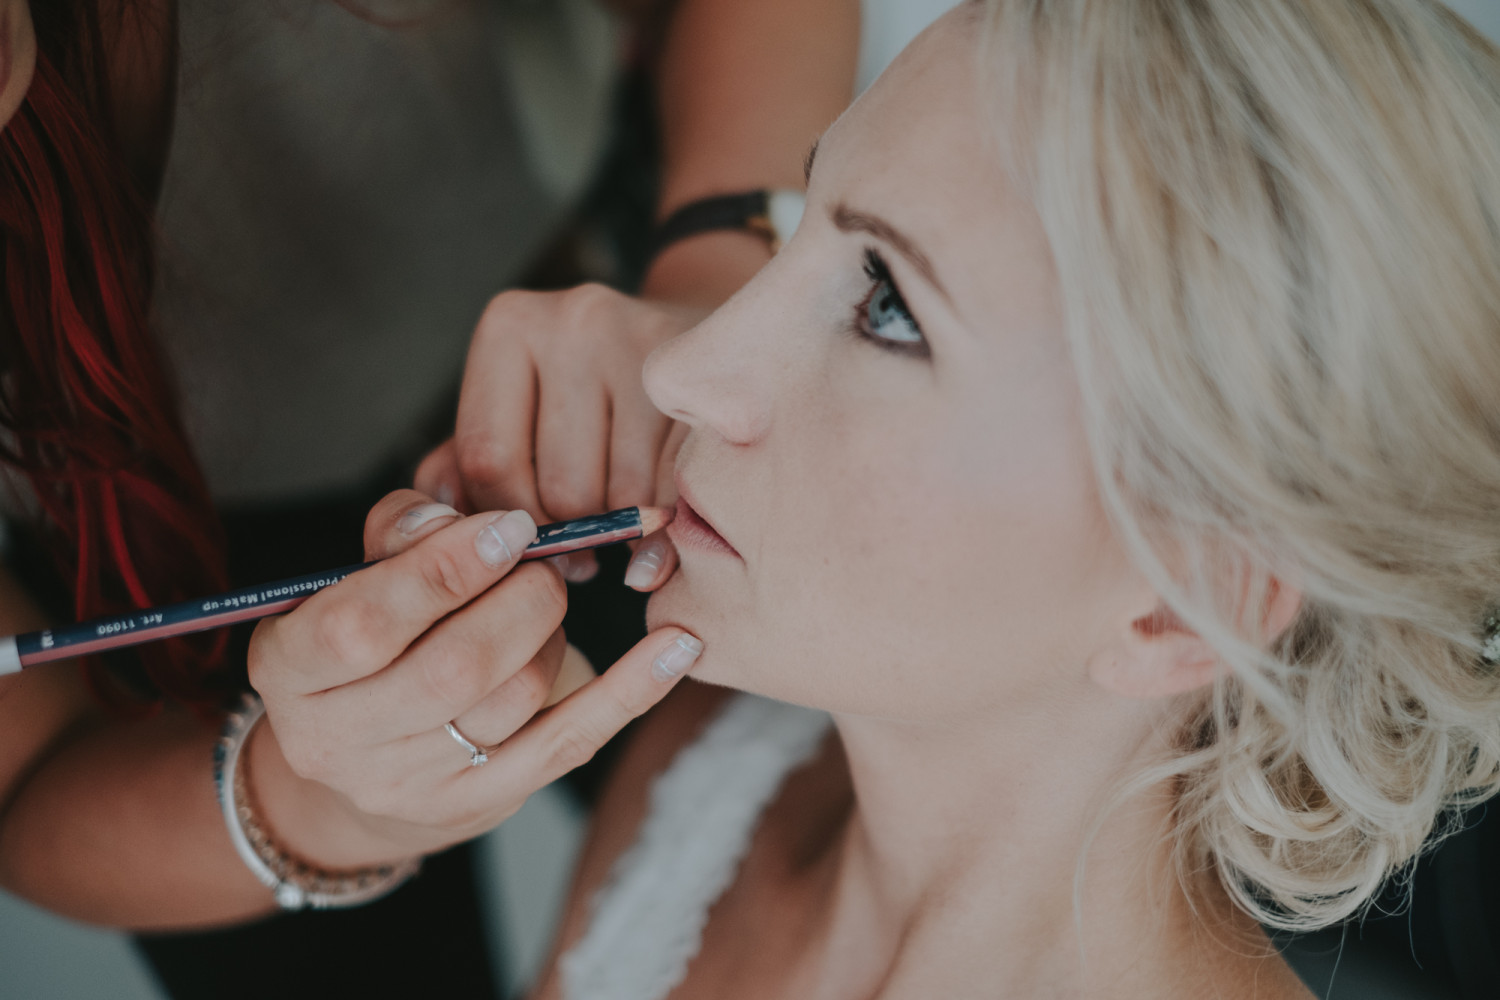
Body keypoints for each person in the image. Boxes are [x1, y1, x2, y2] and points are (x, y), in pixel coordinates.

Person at [416, 0, 1500, 996]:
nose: (684, 367)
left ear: (1184, 595)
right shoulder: (699, 765)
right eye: (800, 225)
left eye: (890, 309)